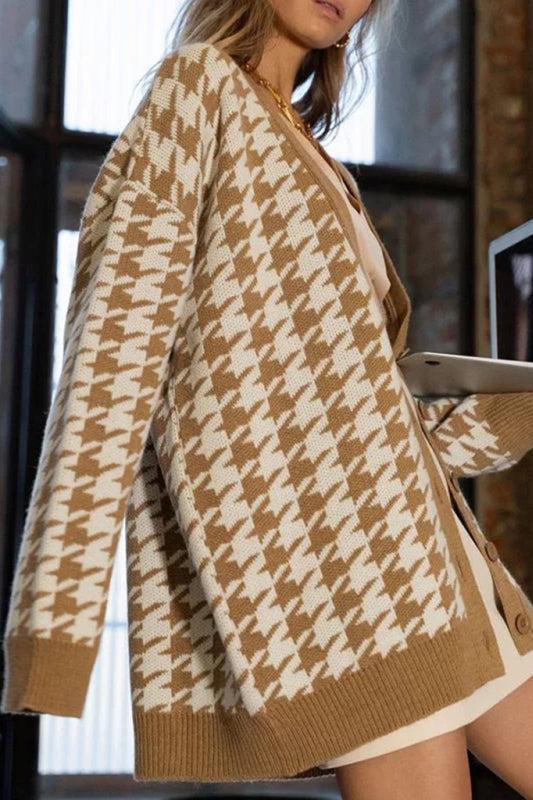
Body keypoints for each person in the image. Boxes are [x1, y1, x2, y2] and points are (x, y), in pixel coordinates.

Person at [2, 1, 533, 796]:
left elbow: (369, 429)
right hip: (352, 588)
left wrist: (516, 407)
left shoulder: (315, 155)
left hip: (443, 565)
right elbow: (111, 363)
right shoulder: (196, 91)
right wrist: (52, 632)